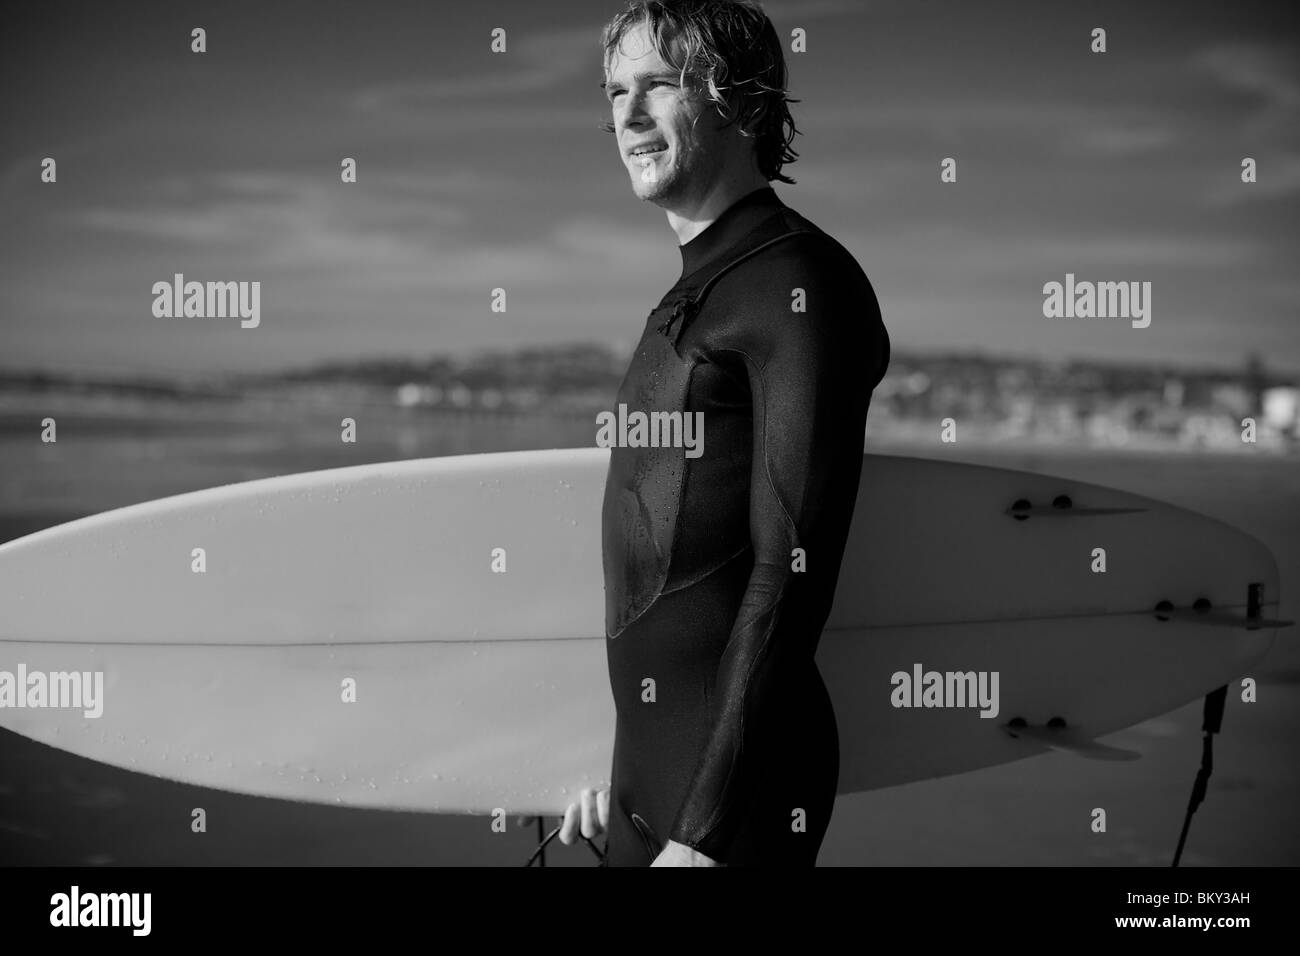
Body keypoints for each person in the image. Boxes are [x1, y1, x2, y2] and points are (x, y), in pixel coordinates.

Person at [559, 0, 890, 866]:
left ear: (738, 102)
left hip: (733, 808)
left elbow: (792, 575)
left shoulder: (798, 285)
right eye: (613, 91)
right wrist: (619, 767)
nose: (625, 115)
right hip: (646, 787)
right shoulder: (697, 288)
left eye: (657, 86)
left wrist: (703, 838)